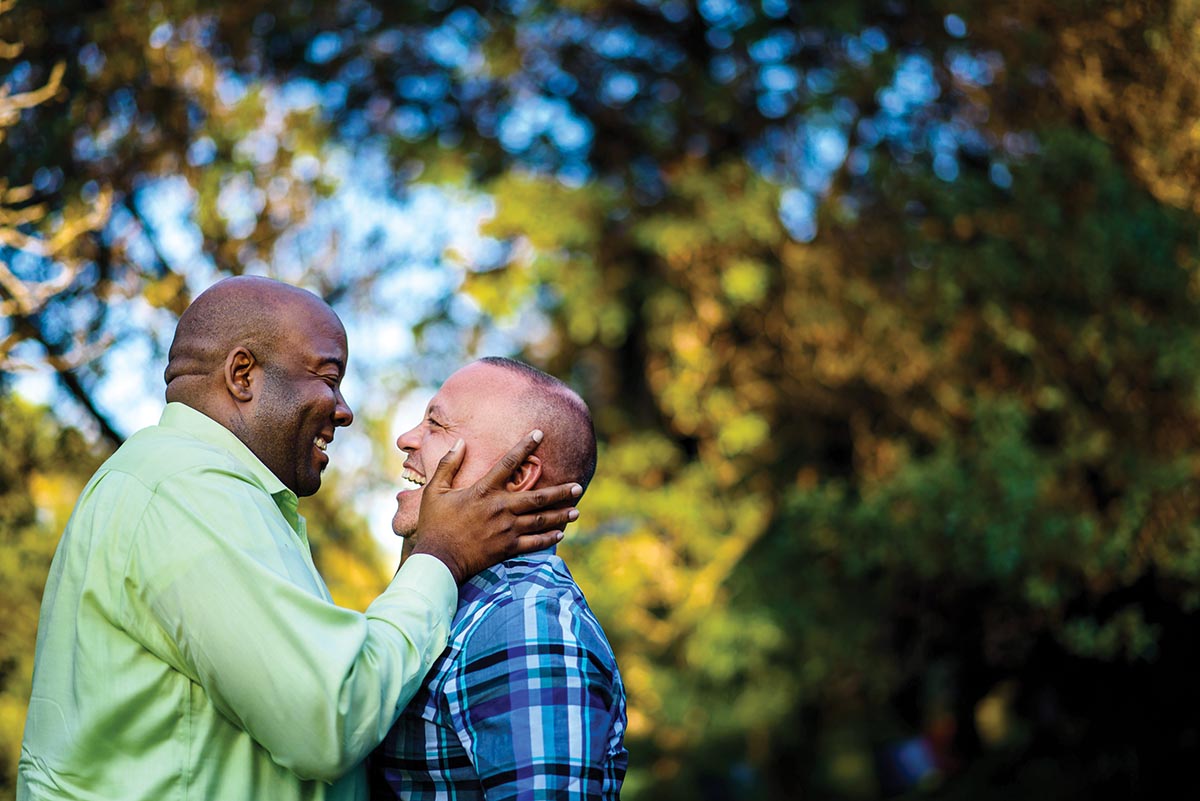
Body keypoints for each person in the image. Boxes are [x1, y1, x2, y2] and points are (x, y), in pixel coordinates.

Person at [18, 277, 582, 801]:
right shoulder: (186, 488)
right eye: (329, 377)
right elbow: (327, 719)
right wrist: (439, 555)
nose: (345, 410)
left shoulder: (527, 616)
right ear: (244, 376)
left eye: (437, 426)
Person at [368, 357, 628, 801]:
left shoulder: (525, 619)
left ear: (518, 475)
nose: (406, 439)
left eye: (437, 425)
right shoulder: (460, 604)